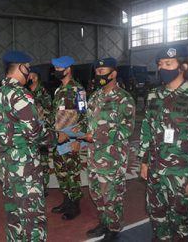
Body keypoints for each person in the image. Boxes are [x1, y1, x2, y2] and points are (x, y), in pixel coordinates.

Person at [0, 50, 67, 241]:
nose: (29, 72)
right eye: (28, 68)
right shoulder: (21, 95)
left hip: (8, 163)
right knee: (33, 215)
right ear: (21, 68)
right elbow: (34, 133)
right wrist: (57, 137)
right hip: (25, 165)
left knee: (14, 212)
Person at [139, 44, 188, 241]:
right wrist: (144, 160)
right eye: (160, 64)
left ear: (183, 67)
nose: (162, 68)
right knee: (156, 216)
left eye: (168, 63)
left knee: (180, 222)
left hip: (182, 174)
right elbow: (147, 131)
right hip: (155, 171)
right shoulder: (154, 95)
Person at [76, 57, 135, 241]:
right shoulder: (95, 96)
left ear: (114, 73)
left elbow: (127, 129)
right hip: (93, 155)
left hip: (112, 158)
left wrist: (98, 136)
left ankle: (114, 227)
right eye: (97, 72)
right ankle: (104, 221)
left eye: (102, 72)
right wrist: (80, 131)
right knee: (96, 193)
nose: (99, 75)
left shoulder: (124, 98)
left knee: (111, 195)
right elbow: (88, 121)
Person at [50, 56, 86, 220]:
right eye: (55, 69)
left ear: (68, 69)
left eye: (59, 69)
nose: (56, 72)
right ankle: (66, 200)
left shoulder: (78, 90)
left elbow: (84, 117)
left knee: (72, 173)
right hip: (58, 139)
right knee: (61, 172)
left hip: (71, 140)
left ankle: (75, 205)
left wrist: (79, 141)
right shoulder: (58, 91)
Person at [26, 66, 53, 196]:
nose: (27, 77)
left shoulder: (42, 92)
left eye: (29, 75)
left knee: (42, 159)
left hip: (40, 130)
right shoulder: (25, 91)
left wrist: (43, 125)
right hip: (28, 131)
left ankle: (43, 185)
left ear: (35, 77)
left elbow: (49, 111)